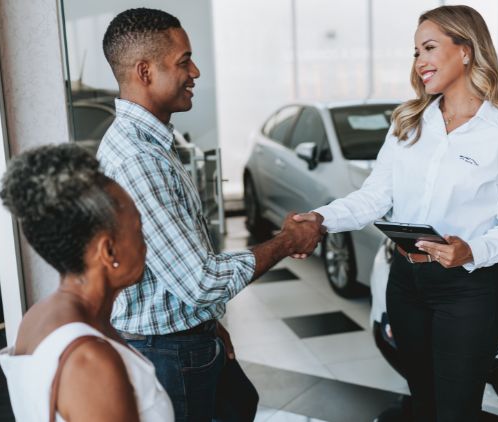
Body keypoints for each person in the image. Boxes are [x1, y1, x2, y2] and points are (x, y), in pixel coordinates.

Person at [294, 5, 498, 421]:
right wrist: (320, 220)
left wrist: (471, 250)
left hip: (469, 290)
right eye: (415, 52)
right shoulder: (408, 124)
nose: (420, 61)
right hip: (406, 282)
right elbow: (374, 197)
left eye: (429, 48)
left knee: (456, 410)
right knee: (422, 403)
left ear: (466, 51)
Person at [97, 8, 324, 422]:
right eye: (183, 61)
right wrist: (287, 242)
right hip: (169, 353)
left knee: (240, 404)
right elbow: (200, 281)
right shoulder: (138, 159)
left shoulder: (140, 143)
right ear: (145, 71)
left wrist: (206, 325)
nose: (195, 71)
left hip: (182, 338)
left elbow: (177, 271)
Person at [0, 144, 174, 422]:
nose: (144, 244)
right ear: (109, 252)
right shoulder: (90, 361)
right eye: (138, 230)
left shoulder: (37, 318)